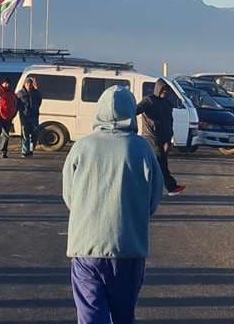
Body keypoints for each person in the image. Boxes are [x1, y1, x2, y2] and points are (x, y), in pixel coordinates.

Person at [63, 86, 163, 324]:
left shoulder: (81, 147)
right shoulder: (141, 149)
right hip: (128, 247)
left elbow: (69, 196)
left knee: (90, 315)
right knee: (123, 315)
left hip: (86, 247)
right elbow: (154, 197)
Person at [136, 79, 185, 196]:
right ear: (158, 89)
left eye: (167, 89)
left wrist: (169, 140)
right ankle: (171, 187)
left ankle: (146, 188)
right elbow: (136, 110)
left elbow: (169, 122)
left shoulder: (167, 103)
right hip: (151, 137)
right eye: (163, 89)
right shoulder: (149, 100)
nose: (165, 91)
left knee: (158, 164)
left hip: (164, 138)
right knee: (160, 163)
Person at [0, 77, 18, 158]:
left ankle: (4, 152)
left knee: (6, 135)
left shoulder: (12, 93)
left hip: (8, 116)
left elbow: (16, 103)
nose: (7, 85)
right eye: (5, 83)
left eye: (8, 83)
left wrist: (14, 113)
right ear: (2, 83)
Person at [17, 77, 42, 157]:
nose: (29, 85)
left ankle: (31, 150)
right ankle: (25, 151)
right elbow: (17, 104)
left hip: (34, 116)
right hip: (24, 116)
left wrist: (35, 109)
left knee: (34, 134)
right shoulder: (20, 93)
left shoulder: (36, 93)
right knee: (25, 134)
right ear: (25, 84)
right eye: (27, 83)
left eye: (30, 83)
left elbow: (39, 102)